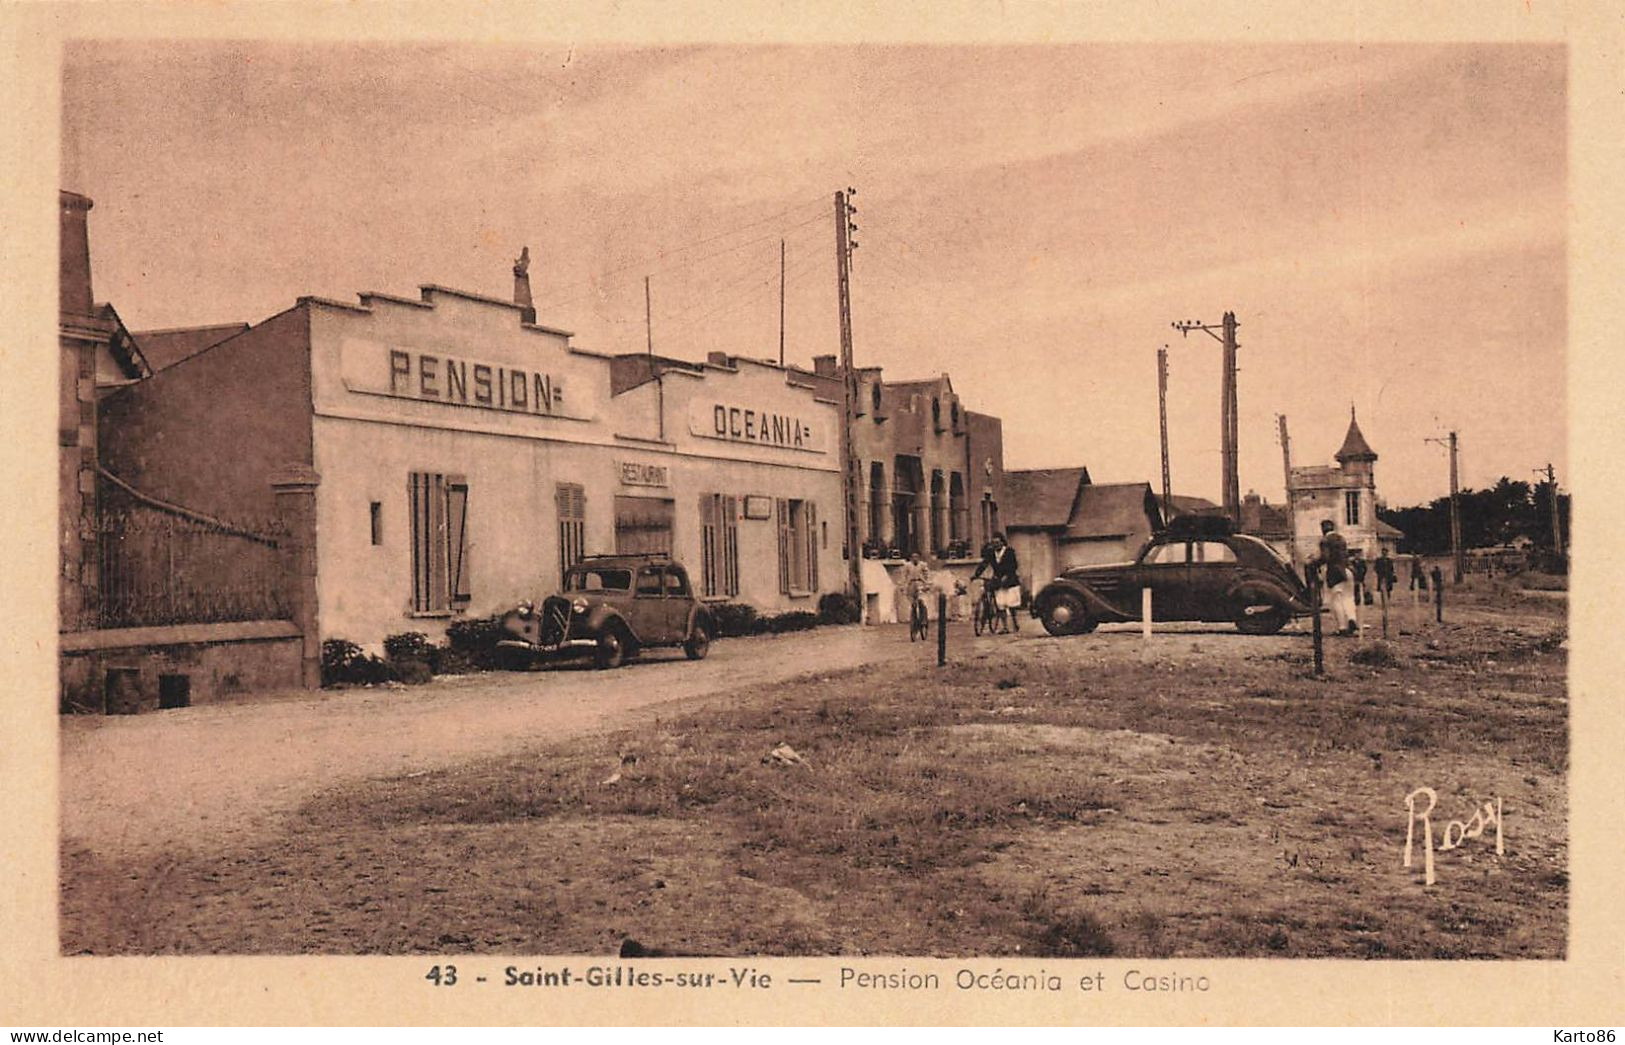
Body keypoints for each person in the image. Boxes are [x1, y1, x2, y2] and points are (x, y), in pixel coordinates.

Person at [1307, 519, 1357, 636]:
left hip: (1335, 573)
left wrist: (1313, 562)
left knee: (1336, 600)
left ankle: (1342, 627)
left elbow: (1325, 557)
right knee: (1349, 598)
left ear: (1323, 529)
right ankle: (1352, 618)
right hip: (1348, 570)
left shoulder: (1325, 540)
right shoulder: (1342, 539)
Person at [972, 532, 1022, 633]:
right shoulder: (991, 553)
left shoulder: (1009, 552)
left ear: (1002, 542)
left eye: (998, 543)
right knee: (1000, 604)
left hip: (1010, 581)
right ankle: (1005, 627)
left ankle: (1015, 621)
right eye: (994, 543)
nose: (996, 545)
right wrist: (976, 574)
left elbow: (1014, 565)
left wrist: (1007, 575)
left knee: (1011, 604)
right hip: (998, 580)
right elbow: (984, 564)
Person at [897, 552, 933, 624]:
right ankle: (914, 616)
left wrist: (928, 583)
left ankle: (923, 617)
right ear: (911, 558)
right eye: (913, 557)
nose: (915, 559)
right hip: (911, 583)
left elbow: (927, 574)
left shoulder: (923, 565)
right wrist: (902, 585)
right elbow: (904, 576)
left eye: (916, 557)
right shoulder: (907, 565)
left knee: (921, 599)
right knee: (912, 600)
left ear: (919, 558)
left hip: (920, 583)